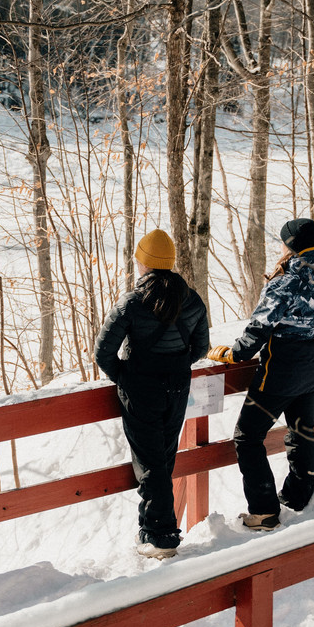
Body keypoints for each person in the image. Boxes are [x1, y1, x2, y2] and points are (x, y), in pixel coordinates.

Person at [207, 218, 314, 531]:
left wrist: (235, 353)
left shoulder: (286, 280)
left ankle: (264, 511)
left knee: (247, 436)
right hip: (313, 369)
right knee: (302, 431)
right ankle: (298, 496)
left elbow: (260, 325)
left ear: (290, 245)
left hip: (280, 372)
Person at [95, 229, 210, 559]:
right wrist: (176, 365)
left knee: (150, 463)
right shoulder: (191, 299)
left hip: (142, 389)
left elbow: (103, 353)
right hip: (177, 387)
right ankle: (152, 530)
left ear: (143, 263)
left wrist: (125, 377)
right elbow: (200, 347)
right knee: (163, 458)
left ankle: (160, 536)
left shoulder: (132, 303)